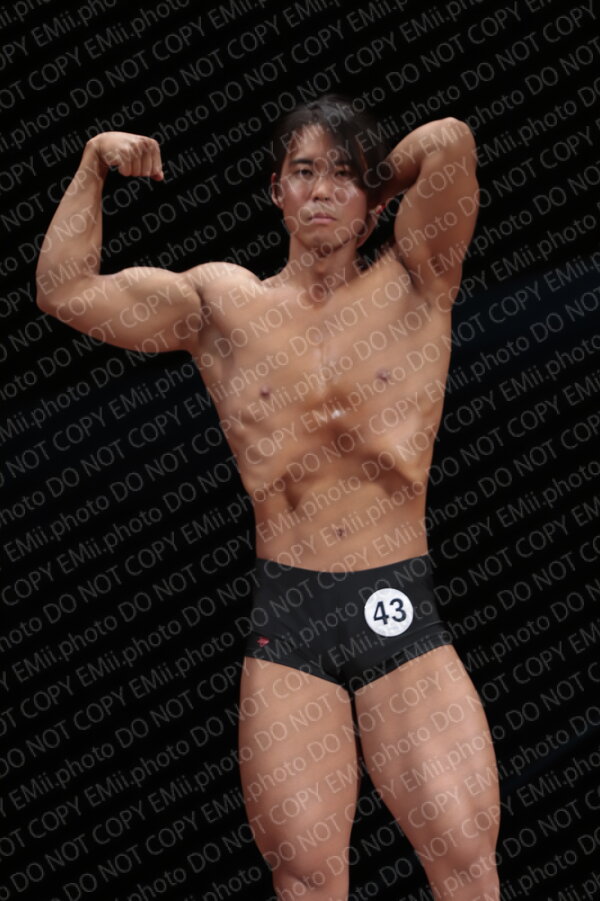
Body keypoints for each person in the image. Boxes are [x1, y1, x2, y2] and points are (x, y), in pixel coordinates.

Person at [36, 94, 500, 900]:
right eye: (304, 172)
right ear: (275, 190)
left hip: (397, 605)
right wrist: (91, 163)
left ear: (374, 195)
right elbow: (64, 289)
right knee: (305, 872)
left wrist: (372, 186)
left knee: (463, 855)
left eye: (343, 175)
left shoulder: (418, 277)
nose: (321, 190)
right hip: (290, 618)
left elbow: (451, 140)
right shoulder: (223, 306)